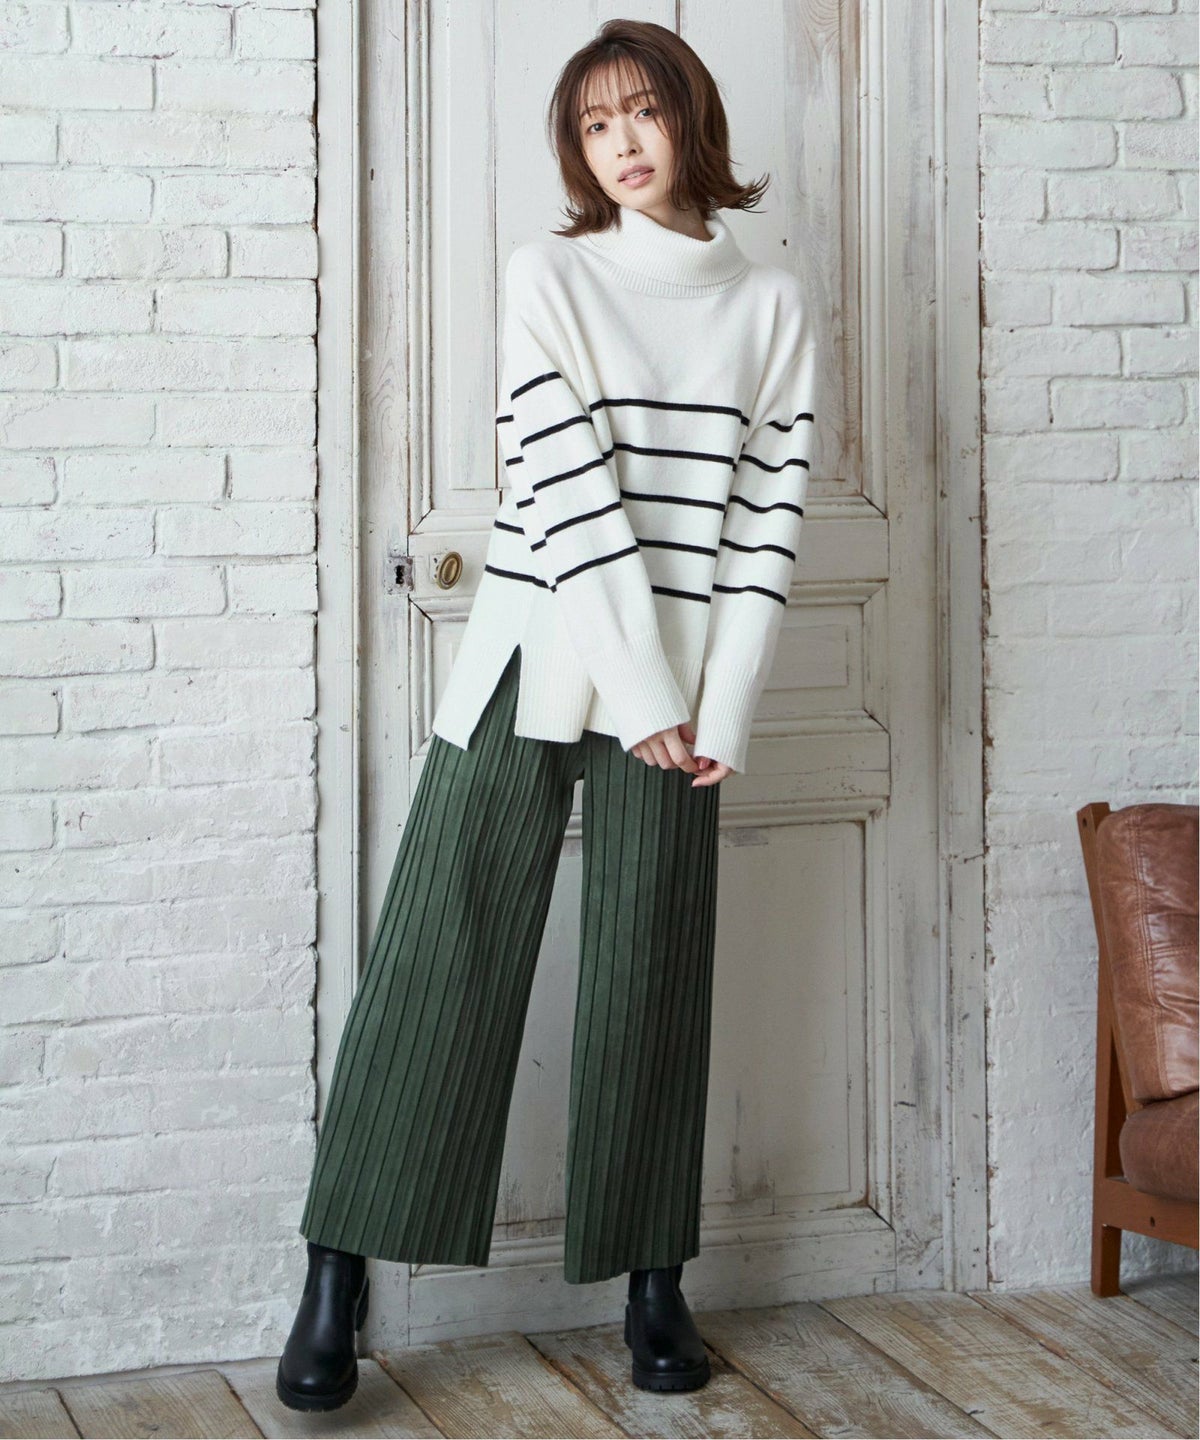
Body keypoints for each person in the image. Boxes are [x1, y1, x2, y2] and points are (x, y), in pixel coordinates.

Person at [275, 17, 817, 1412]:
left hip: (681, 688)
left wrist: (716, 707)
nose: (623, 143)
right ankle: (338, 1273)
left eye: (644, 112)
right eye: (594, 124)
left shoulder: (771, 305)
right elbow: (564, 487)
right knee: (442, 945)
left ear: (691, 119)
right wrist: (640, 692)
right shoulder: (551, 275)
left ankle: (653, 1284)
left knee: (653, 968)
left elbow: (767, 524)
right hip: (540, 646)